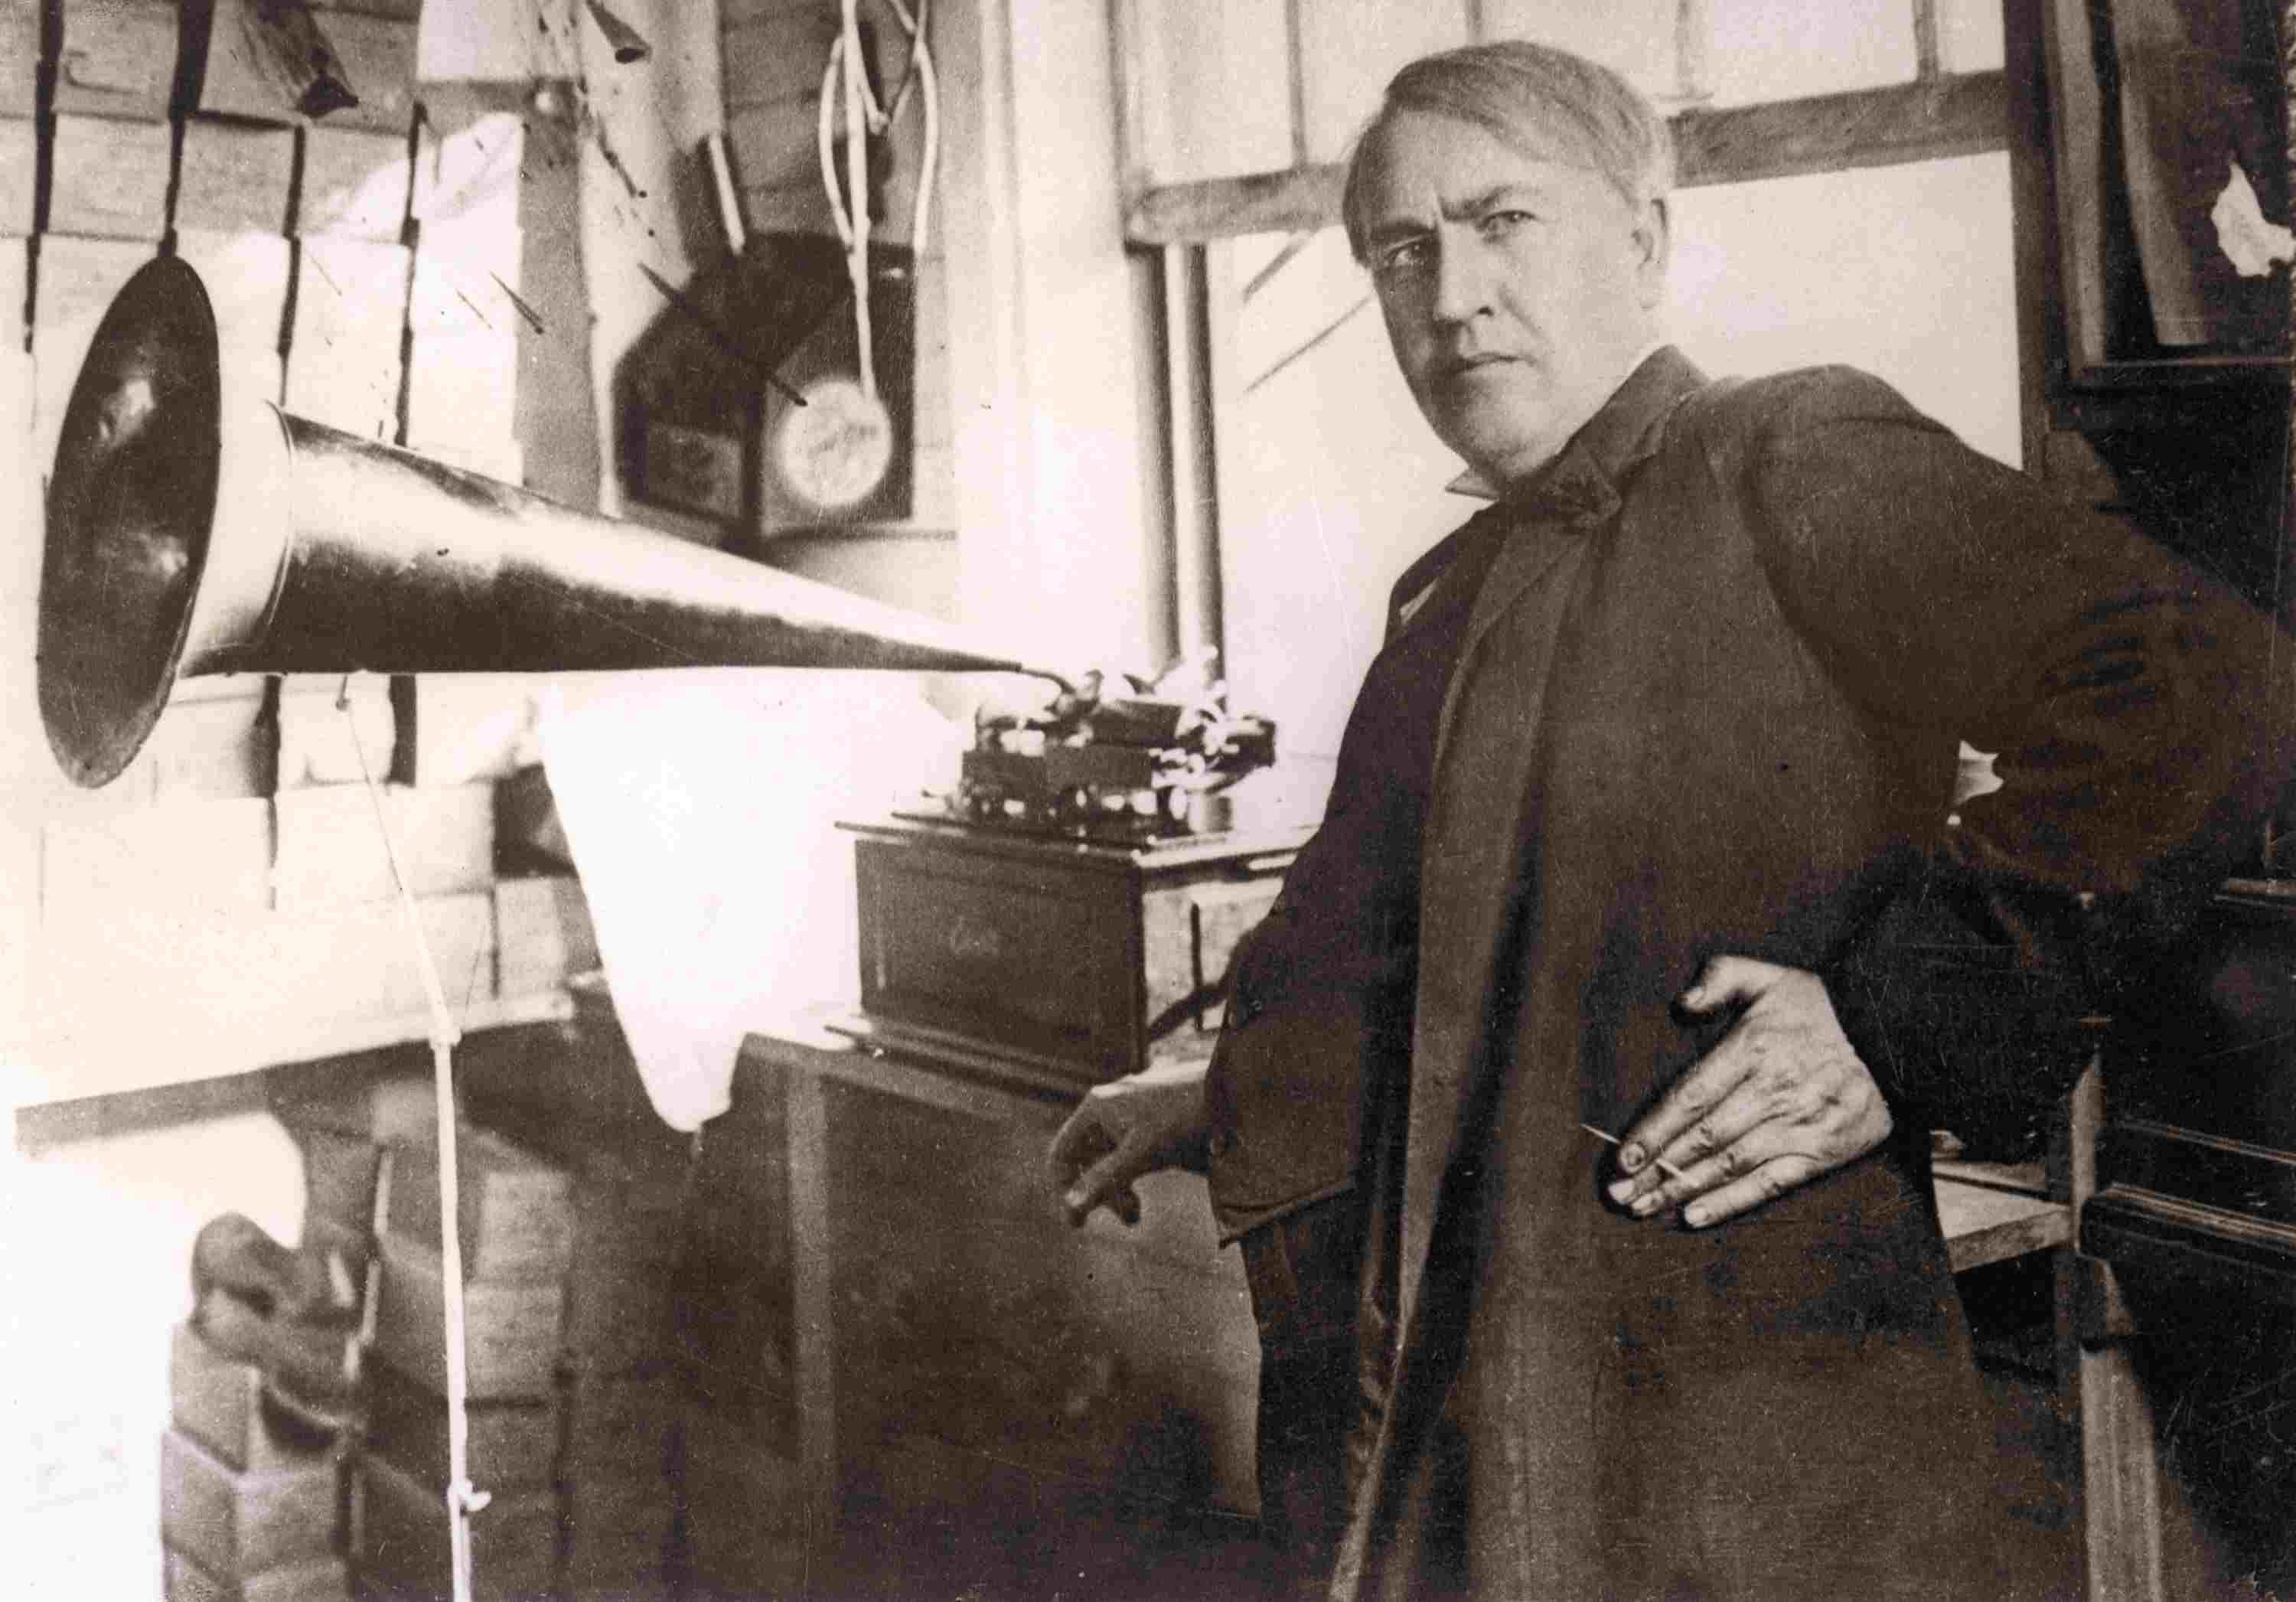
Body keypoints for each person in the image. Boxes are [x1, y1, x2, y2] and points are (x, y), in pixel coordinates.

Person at [1046, 40, 2289, 1602]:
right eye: (1402, 252)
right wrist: (1221, 1089)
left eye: (1504, 222)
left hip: (1726, 1441)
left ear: (1642, 239)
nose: (1453, 297)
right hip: (1465, 1419)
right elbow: (1476, 971)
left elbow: (2206, 686)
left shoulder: (1787, 449)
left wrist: (1890, 1019)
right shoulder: (1455, 594)